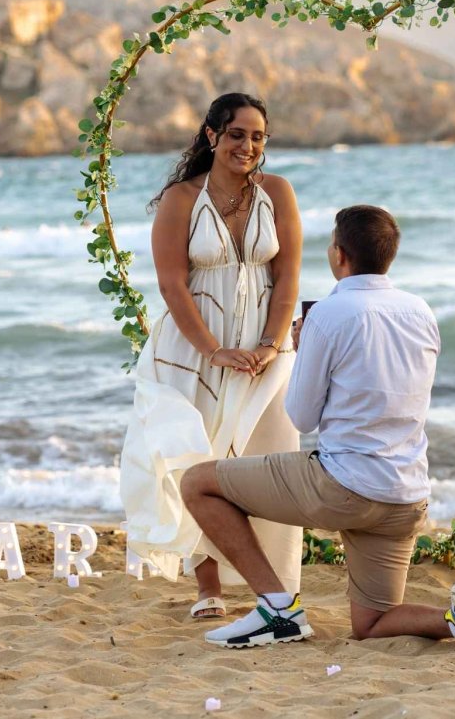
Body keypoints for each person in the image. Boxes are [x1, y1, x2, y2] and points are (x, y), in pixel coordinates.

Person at [180, 205, 455, 652]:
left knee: (198, 483)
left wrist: (300, 344)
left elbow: (302, 417)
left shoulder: (328, 315)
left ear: (338, 254)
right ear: (389, 256)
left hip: (344, 488)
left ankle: (277, 608)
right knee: (371, 623)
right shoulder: (420, 310)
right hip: (404, 497)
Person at [119, 92, 304, 620]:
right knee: (199, 460)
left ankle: (275, 586)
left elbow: (287, 275)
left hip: (266, 352)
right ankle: (209, 589)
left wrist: (270, 345)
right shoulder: (181, 199)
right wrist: (215, 350)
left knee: (270, 461)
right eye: (237, 134)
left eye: (257, 136)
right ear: (212, 136)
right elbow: (172, 284)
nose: (247, 145)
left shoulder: (278, 193)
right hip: (194, 349)